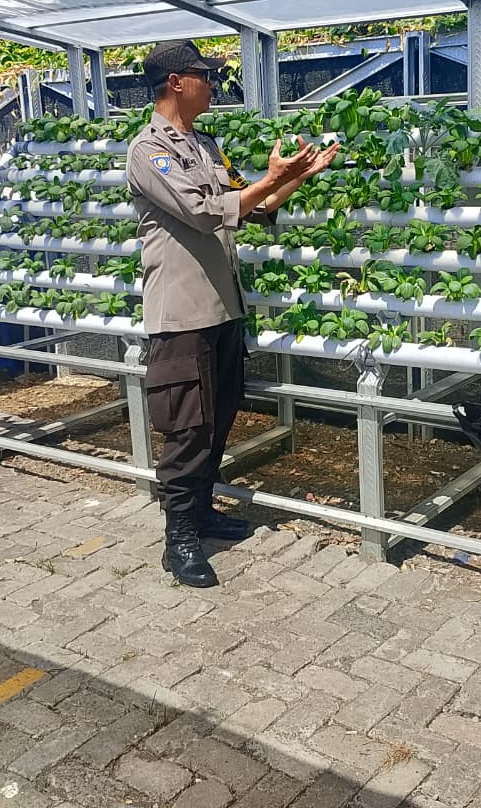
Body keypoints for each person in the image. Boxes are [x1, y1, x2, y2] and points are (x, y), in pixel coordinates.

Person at [127, 39, 338, 588]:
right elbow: (204, 213)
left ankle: (200, 512)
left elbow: (252, 205)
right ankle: (180, 538)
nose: (213, 84)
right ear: (176, 80)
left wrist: (296, 176)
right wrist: (270, 179)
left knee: (218, 417)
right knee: (187, 427)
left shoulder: (205, 145)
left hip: (221, 308)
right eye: (205, 75)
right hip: (182, 314)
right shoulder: (149, 150)